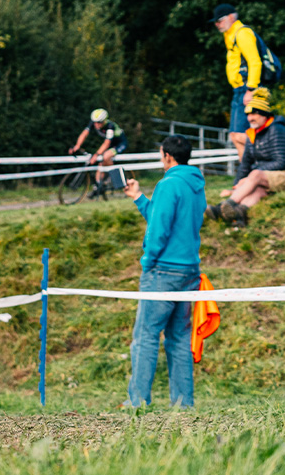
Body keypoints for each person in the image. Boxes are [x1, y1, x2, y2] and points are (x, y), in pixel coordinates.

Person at [122, 135, 205, 408]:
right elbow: (164, 217)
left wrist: (148, 261)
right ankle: (183, 405)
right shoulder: (195, 185)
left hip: (162, 271)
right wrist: (138, 198)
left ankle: (138, 403)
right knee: (179, 338)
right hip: (189, 270)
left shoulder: (168, 184)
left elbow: (159, 228)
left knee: (145, 337)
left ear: (167, 156)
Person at [205, 88, 285, 228]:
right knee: (257, 190)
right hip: (269, 178)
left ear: (264, 114)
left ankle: (225, 205)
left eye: (254, 114)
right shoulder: (252, 134)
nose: (250, 118)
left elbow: (282, 162)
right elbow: (245, 164)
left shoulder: (277, 130)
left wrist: (252, 177)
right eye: (248, 114)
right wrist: (237, 185)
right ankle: (239, 212)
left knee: (255, 175)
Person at [210, 3, 264, 162]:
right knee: (235, 135)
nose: (216, 24)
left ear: (231, 17)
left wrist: (251, 89)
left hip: (248, 89)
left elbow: (255, 62)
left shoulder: (242, 33)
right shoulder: (230, 35)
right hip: (238, 89)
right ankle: (245, 176)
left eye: (219, 20)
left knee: (241, 135)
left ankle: (272, 151)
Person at [68, 108, 128, 198]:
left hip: (119, 144)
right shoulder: (94, 123)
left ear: (104, 120)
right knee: (100, 164)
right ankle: (98, 186)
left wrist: (96, 154)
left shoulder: (110, 126)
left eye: (99, 122)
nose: (96, 124)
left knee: (106, 156)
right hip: (110, 143)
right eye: (95, 122)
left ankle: (113, 175)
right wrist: (77, 145)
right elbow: (84, 134)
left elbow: (107, 143)